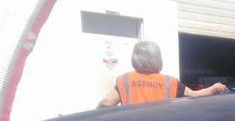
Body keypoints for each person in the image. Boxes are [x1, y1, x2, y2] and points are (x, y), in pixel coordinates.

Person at [97, 41, 227, 108]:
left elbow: (107, 104)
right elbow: (196, 95)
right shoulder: (170, 82)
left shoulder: (124, 80)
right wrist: (214, 88)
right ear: (158, 58)